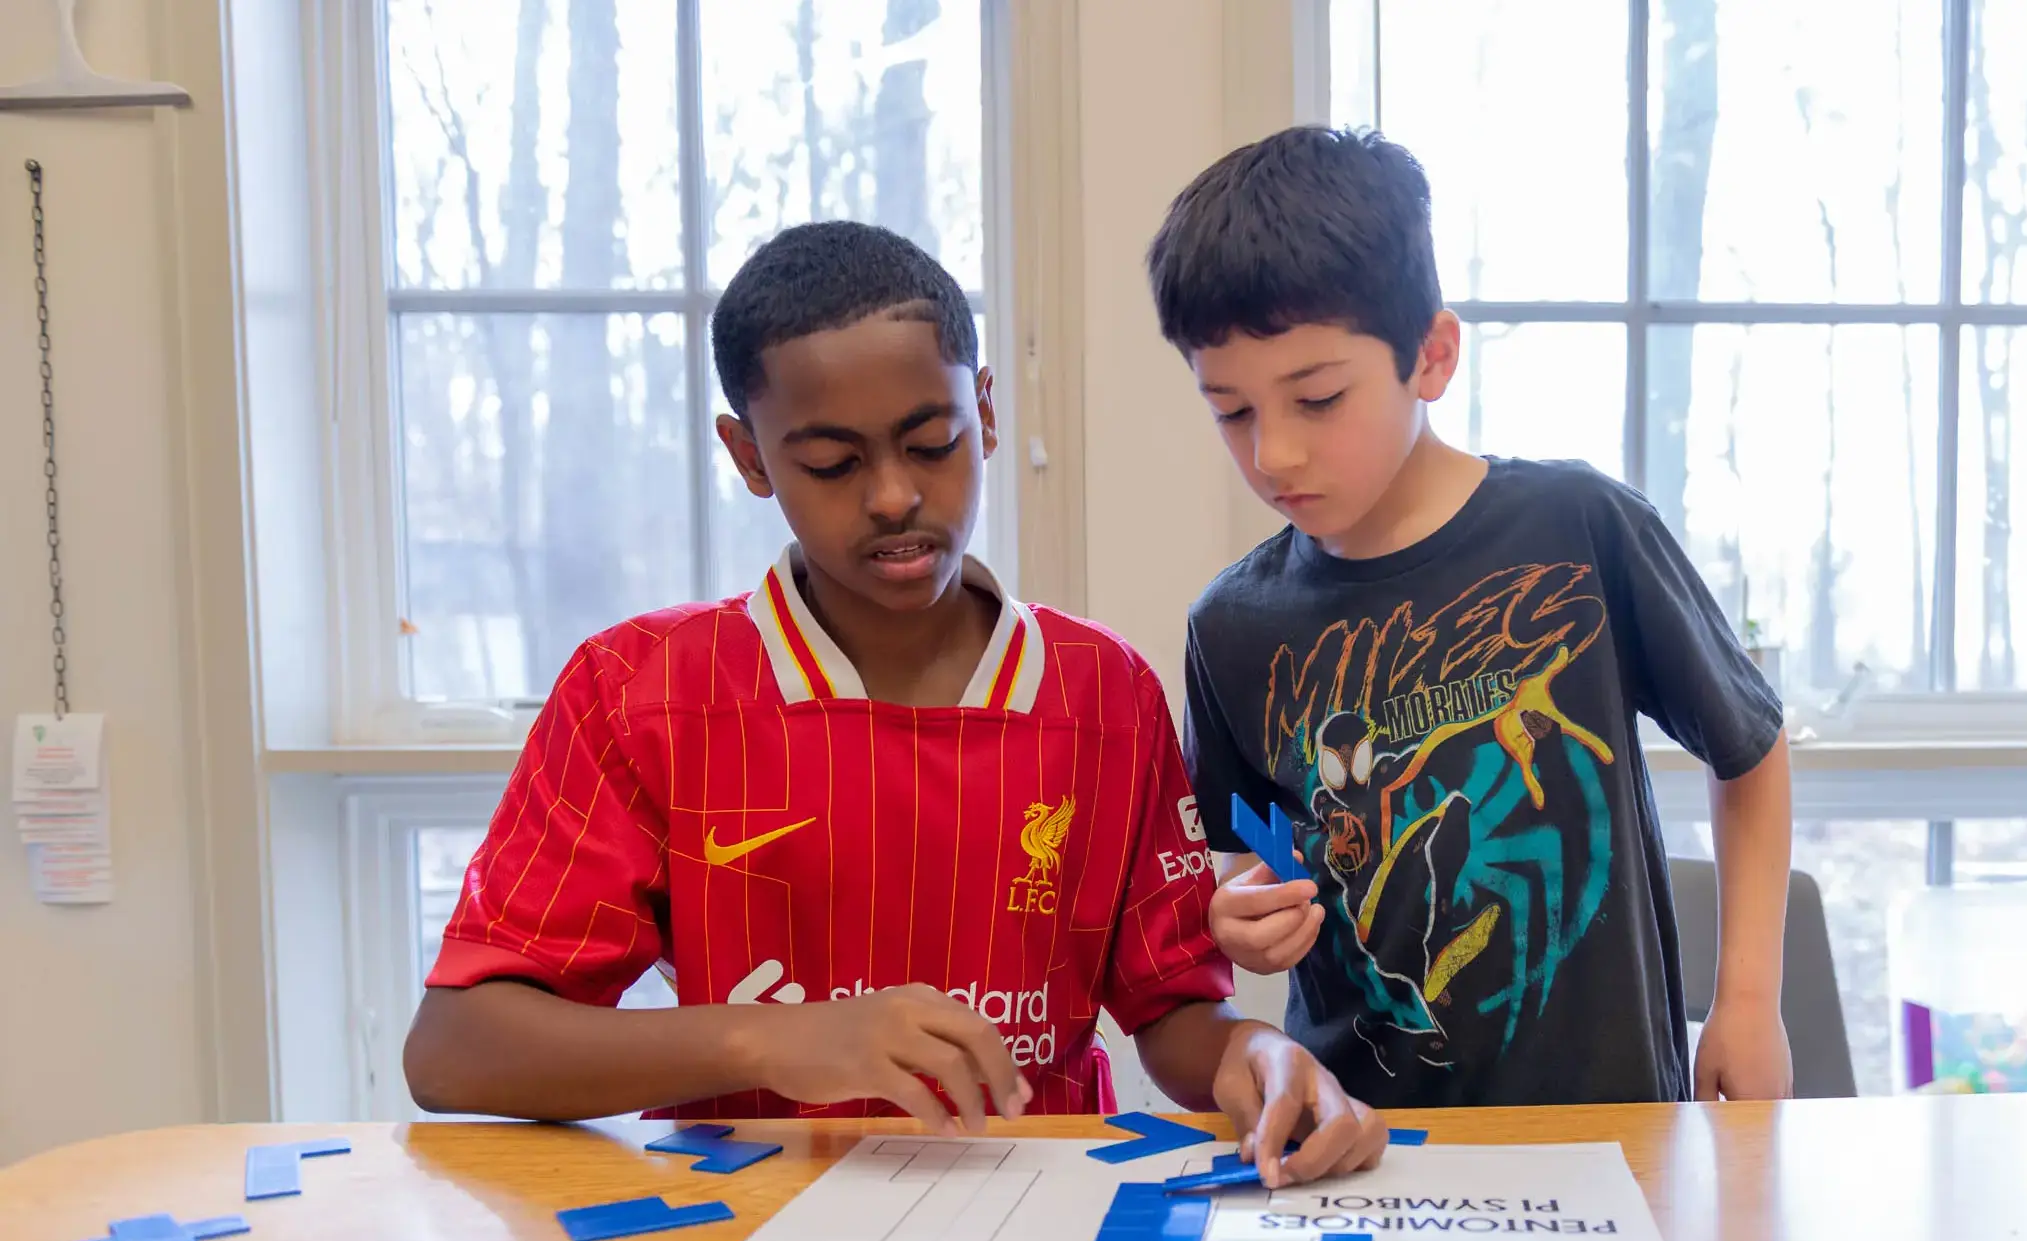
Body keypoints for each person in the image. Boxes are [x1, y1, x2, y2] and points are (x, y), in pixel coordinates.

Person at [405, 221, 1383, 1187]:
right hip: (740, 1227)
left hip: (1029, 1213)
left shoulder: (1103, 691)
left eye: (931, 443)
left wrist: (1250, 1051)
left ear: (986, 412)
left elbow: (1172, 1013)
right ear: (749, 458)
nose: (889, 496)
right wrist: (770, 1041)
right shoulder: (641, 690)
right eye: (831, 463)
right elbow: (454, 1049)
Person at [1147, 127, 1795, 1106]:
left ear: (1431, 356)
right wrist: (1233, 910)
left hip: (1609, 1132)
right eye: (1230, 410)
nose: (1273, 453)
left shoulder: (1581, 527)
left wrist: (1746, 999)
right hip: (1349, 1136)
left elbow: (1749, 748)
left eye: (1316, 398)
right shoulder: (1231, 623)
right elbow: (1243, 856)